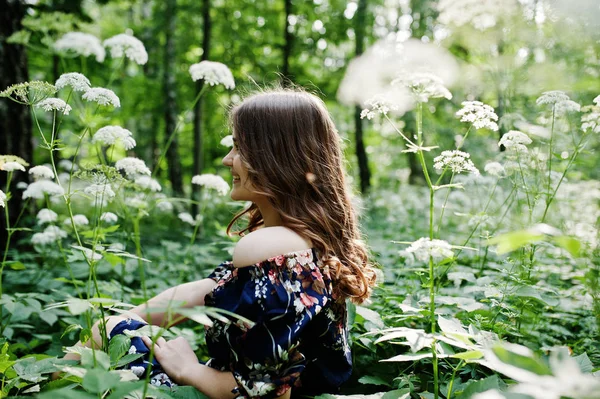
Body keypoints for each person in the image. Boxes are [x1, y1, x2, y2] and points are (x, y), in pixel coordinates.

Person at [61, 89, 377, 399]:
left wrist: (190, 370)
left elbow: (265, 391)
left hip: (222, 390)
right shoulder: (305, 241)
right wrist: (122, 321)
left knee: (112, 345)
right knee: (110, 328)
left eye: (239, 149)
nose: (228, 160)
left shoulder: (274, 247)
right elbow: (199, 294)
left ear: (276, 158)